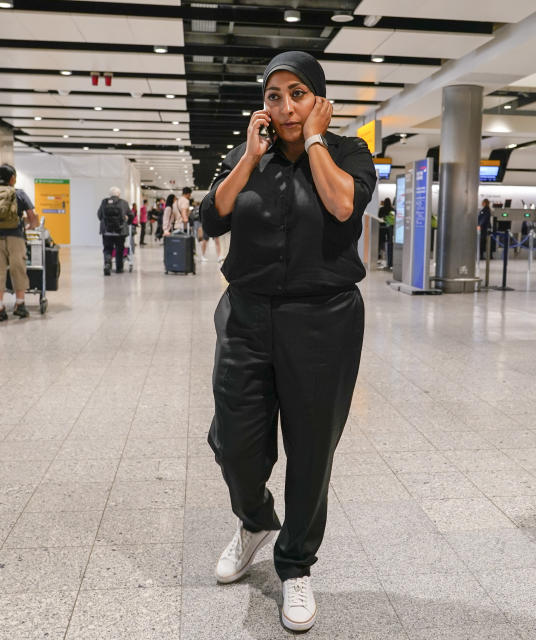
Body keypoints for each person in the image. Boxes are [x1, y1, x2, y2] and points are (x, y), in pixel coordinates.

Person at [201, 51, 376, 632]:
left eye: (297, 93)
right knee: (234, 441)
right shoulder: (250, 153)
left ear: (319, 99)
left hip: (324, 320)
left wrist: (319, 142)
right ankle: (254, 522)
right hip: (247, 315)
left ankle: (296, 563)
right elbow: (213, 217)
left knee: (311, 449)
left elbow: (343, 205)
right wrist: (249, 158)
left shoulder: (349, 152)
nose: (285, 106)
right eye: (274, 95)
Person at [0, 164, 38, 321]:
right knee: (18, 269)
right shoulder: (19, 194)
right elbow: (33, 218)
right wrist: (29, 226)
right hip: (15, 237)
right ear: (12, 178)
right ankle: (20, 305)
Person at [97, 186, 132, 276]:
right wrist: (127, 222)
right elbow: (131, 215)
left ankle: (108, 264)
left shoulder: (104, 202)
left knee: (107, 249)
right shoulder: (124, 203)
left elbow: (99, 215)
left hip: (107, 231)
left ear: (110, 194)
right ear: (119, 194)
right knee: (119, 249)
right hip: (120, 232)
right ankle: (119, 268)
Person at [377, 197, 394, 269]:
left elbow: (379, 216)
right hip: (390, 227)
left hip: (382, 228)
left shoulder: (381, 209)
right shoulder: (392, 209)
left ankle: (380, 256)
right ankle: (389, 260)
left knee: (381, 242)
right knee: (389, 242)